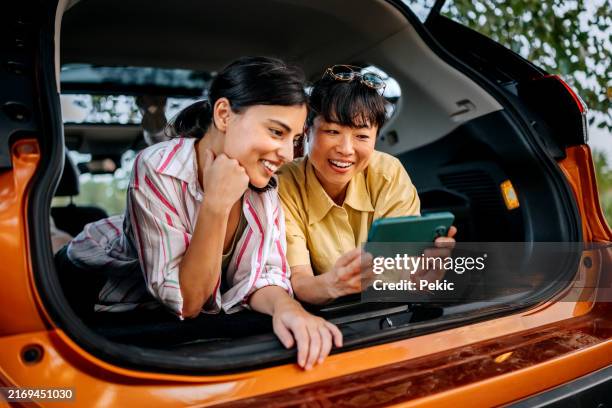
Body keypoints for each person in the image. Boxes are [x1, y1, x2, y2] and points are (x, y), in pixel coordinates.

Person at [55, 56, 342, 370]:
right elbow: (187, 303)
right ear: (223, 115)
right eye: (276, 132)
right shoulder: (158, 167)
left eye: (296, 139)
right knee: (54, 239)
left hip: (156, 309)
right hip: (87, 278)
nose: (288, 154)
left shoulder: (266, 190)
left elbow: (261, 278)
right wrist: (216, 205)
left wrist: (288, 309)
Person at [278, 65, 456, 305]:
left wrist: (421, 278)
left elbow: (401, 273)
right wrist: (332, 284)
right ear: (307, 131)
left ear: (375, 138)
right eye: (332, 131)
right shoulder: (285, 183)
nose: (346, 149)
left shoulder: (388, 174)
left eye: (361, 136)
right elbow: (299, 281)